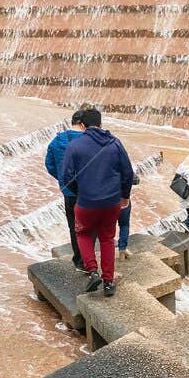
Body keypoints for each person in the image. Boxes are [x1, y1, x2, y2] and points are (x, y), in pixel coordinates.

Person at [55, 108, 134, 297]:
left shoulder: (75, 145)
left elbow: (65, 177)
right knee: (107, 239)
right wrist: (124, 195)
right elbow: (128, 173)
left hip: (86, 202)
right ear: (101, 124)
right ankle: (108, 283)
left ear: (82, 125)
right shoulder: (115, 143)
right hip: (112, 201)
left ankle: (92, 271)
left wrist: (80, 192)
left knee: (82, 234)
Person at [44, 108, 87, 270]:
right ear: (84, 124)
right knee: (91, 226)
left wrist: (63, 181)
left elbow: (50, 165)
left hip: (69, 192)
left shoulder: (57, 141)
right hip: (90, 191)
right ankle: (90, 260)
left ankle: (79, 260)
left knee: (74, 226)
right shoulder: (90, 141)